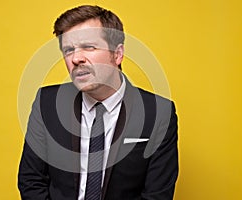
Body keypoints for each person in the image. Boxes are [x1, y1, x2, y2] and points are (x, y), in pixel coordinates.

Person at [18, 5, 178, 200]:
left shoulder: (158, 113)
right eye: (69, 50)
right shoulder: (47, 103)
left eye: (89, 47)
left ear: (117, 54)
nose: (76, 58)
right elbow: (31, 180)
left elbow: (157, 194)